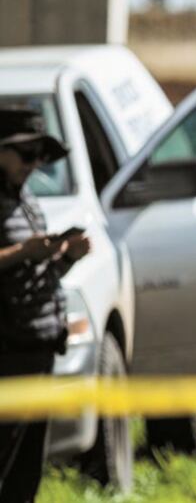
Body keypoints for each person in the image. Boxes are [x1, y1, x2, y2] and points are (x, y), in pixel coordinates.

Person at [0, 107, 91, 502]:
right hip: (7, 357)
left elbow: (36, 279)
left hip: (39, 352)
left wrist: (65, 257)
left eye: (41, 157)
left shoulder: (28, 201)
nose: (34, 165)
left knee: (26, 471)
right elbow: (19, 260)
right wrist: (22, 252)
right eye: (26, 154)